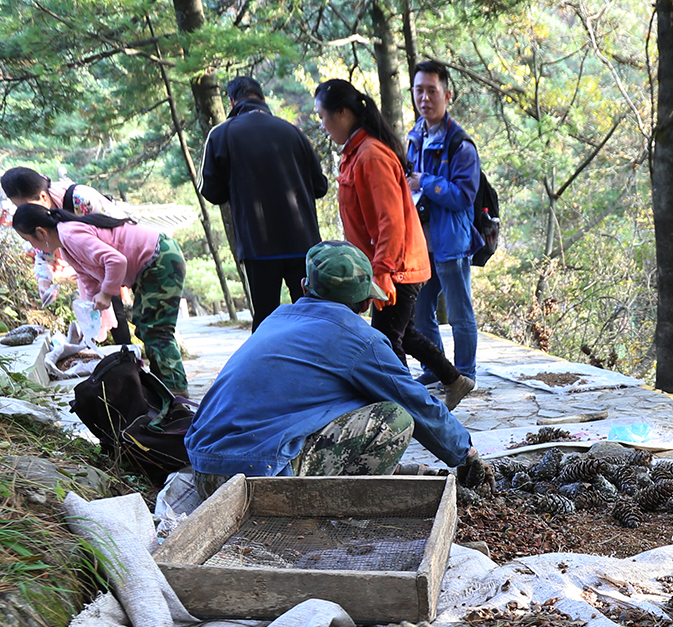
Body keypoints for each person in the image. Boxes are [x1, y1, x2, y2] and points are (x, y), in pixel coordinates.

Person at [185, 241, 491, 490]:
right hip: (253, 479)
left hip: (204, 470)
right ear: (366, 303)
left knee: (353, 397)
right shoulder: (359, 339)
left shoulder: (275, 319)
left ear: (305, 287)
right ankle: (342, 504)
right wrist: (466, 453)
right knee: (394, 418)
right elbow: (415, 402)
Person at [314, 78, 474, 411]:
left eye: (323, 116)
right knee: (406, 332)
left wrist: (382, 272)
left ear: (342, 113)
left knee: (387, 344)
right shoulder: (355, 153)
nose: (322, 124)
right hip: (387, 264)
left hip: (397, 267)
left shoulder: (371, 155)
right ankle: (455, 380)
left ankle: (409, 412)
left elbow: (391, 221)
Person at [10, 203, 191, 397]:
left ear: (41, 233)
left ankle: (176, 392)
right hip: (151, 263)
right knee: (144, 326)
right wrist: (89, 323)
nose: (32, 246)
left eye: (29, 240)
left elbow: (116, 260)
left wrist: (106, 293)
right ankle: (165, 386)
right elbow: (89, 281)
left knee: (155, 329)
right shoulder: (66, 245)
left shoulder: (71, 235)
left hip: (159, 257)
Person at [198, 76, 331, 329]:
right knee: (313, 318)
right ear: (263, 98)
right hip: (303, 244)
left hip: (258, 245)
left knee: (265, 323)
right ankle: (318, 366)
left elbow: (210, 190)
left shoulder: (222, 133)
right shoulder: (293, 132)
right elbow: (320, 186)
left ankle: (268, 367)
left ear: (231, 100)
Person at [405, 59, 481, 384]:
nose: (425, 98)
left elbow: (464, 195)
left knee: (460, 314)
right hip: (421, 243)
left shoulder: (460, 145)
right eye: (419, 91)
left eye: (431, 91)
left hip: (451, 242)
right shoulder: (414, 137)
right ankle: (436, 370)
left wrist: (425, 182)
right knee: (421, 313)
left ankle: (465, 374)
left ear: (447, 95)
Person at [0, 166, 128, 344]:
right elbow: (43, 253)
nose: (22, 211)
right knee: (105, 315)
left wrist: (108, 284)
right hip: (93, 271)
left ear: (43, 197)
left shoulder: (81, 199)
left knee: (146, 323)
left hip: (124, 260)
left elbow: (122, 234)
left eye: (23, 205)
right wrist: (45, 283)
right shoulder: (40, 219)